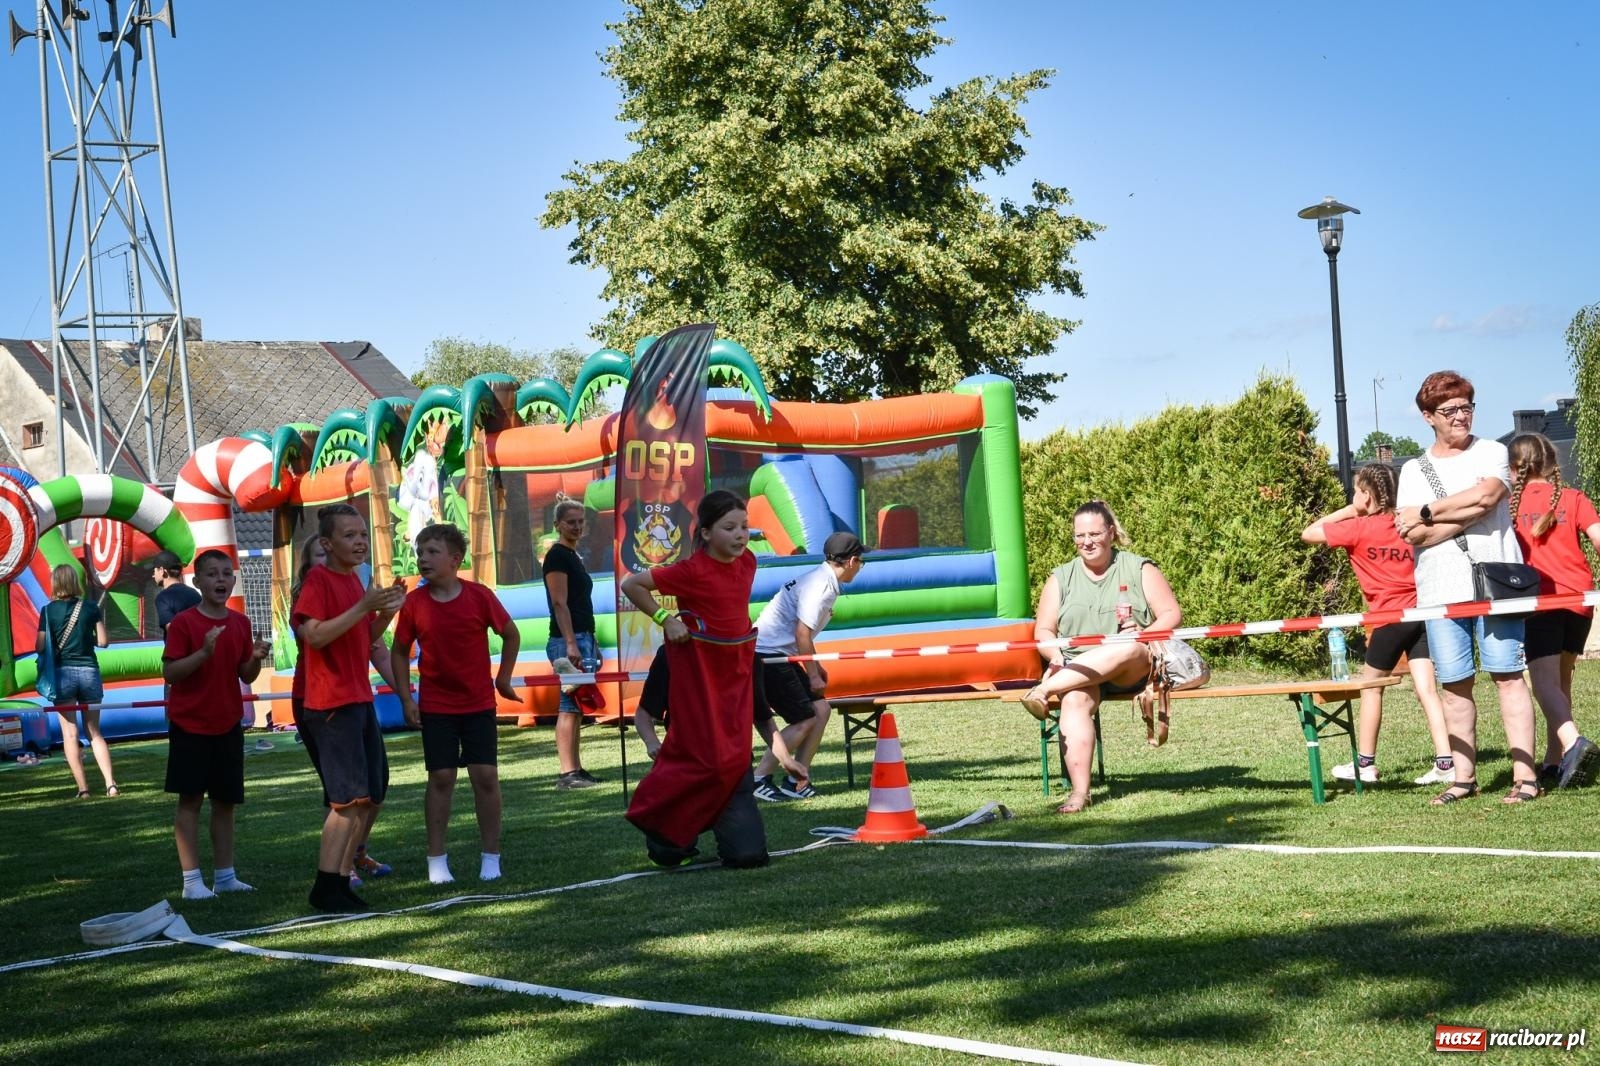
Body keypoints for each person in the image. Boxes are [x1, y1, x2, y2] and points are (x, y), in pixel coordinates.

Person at [1394, 371, 1540, 804]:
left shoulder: (1493, 451)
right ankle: (1463, 779)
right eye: (1450, 410)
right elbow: (1412, 535)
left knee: (1508, 677)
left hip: (1497, 583)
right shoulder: (1414, 469)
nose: (1461, 416)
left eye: (1466, 407)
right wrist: (1463, 511)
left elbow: (1488, 498)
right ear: (1428, 417)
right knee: (1454, 685)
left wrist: (1428, 511)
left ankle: (1525, 777)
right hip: (1439, 589)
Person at [619, 490, 768, 868]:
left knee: (748, 856)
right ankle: (666, 832)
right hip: (698, 677)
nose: (740, 535)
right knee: (705, 757)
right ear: (704, 533)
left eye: (745, 527)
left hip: (734, 677)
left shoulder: (748, 562)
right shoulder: (690, 571)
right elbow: (631, 585)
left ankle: (715, 820)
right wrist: (665, 620)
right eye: (729, 527)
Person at [1022, 501, 1183, 814]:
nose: (1087, 541)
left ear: (1111, 533)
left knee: (1126, 645)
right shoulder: (1060, 577)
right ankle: (1079, 795)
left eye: (1094, 533)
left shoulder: (1140, 568)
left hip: (1131, 665)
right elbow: (1043, 629)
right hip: (1078, 667)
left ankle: (1043, 690)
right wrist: (1054, 655)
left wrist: (1145, 632)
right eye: (1079, 535)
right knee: (1073, 703)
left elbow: (1171, 614)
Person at [1301, 463, 1455, 785]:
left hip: (1387, 618)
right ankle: (1446, 762)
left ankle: (1366, 764)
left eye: (1357, 490)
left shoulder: (1358, 528)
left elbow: (1309, 533)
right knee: (1426, 689)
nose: (1353, 495)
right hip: (1419, 614)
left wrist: (1350, 509)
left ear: (1368, 497)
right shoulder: (1405, 525)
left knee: (1371, 688)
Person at [391, 523, 520, 884]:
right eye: (420, 553)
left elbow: (511, 634)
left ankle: (491, 858)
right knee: (442, 777)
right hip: (436, 706)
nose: (423, 559)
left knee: (485, 776)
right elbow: (399, 652)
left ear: (455, 559)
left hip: (478, 704)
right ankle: (436, 861)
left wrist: (503, 679)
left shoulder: (479, 596)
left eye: (432, 552)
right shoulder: (414, 603)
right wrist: (406, 697)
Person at [292, 504, 406, 912]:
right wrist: (364, 607)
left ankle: (340, 882)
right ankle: (325, 887)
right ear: (327, 543)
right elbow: (316, 637)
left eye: (362, 534)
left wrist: (387, 612)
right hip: (331, 705)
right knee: (344, 802)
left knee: (363, 800)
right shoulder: (318, 581)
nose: (359, 542)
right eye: (349, 535)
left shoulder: (355, 581)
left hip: (358, 700)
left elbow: (361, 638)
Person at [161, 550, 270, 900]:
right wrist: (203, 654)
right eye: (212, 574)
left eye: (226, 574)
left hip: (227, 724)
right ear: (197, 582)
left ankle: (225, 876)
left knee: (225, 802)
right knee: (190, 801)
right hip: (190, 724)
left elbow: (245, 674)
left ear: (234, 581)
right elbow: (171, 673)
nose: (220, 580)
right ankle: (192, 882)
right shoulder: (183, 624)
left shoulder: (239, 623)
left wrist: (254, 658)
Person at [1506, 431, 1600, 790]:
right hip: (1580, 601)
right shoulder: (1574, 498)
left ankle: (1575, 742)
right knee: (1561, 682)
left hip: (1539, 602)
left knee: (1543, 683)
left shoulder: (1511, 507)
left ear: (1516, 467)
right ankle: (1554, 759)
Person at [750, 531, 866, 801]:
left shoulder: (822, 579)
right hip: (766, 656)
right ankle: (759, 778)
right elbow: (802, 633)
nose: (860, 568)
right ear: (851, 561)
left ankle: (796, 780)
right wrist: (812, 675)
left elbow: (801, 633)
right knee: (804, 719)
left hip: (779, 652)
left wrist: (816, 664)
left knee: (821, 709)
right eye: (861, 561)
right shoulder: (821, 586)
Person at [633, 644, 808, 783]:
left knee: (745, 828)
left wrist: (786, 760)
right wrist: (652, 742)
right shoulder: (671, 654)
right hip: (685, 765)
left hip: (735, 767)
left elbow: (763, 718)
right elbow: (644, 713)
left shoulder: (749, 658)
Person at [38, 565, 116, 798]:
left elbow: (40, 647)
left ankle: (83, 789)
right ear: (74, 582)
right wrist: (84, 638)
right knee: (95, 732)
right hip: (89, 672)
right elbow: (103, 642)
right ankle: (111, 785)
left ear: (55, 583)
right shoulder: (90, 607)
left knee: (70, 734)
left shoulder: (47, 611)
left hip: (62, 675)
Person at [542, 498, 601, 789]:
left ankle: (576, 768)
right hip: (567, 639)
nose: (577, 527)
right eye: (571, 522)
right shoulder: (558, 556)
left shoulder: (573, 555)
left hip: (581, 637)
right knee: (568, 704)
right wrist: (571, 643)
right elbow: (559, 603)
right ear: (558, 525)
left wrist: (592, 640)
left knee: (577, 706)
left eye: (580, 522)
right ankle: (567, 773)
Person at [151, 550, 201, 635]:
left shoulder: (163, 598)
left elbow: (172, 629)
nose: (153, 575)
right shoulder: (194, 593)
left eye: (154, 571)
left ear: (162, 571)